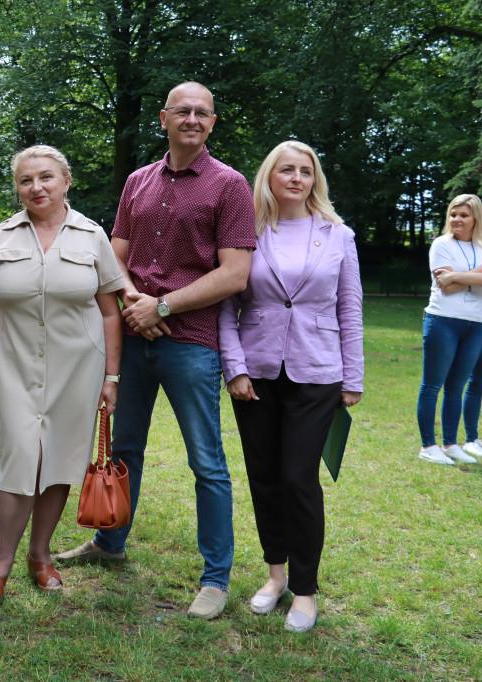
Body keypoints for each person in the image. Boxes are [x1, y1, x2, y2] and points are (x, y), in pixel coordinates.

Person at [54, 81, 256, 621]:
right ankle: (109, 544)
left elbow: (235, 274)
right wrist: (133, 302)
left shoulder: (230, 186)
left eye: (202, 113)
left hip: (190, 343)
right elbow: (113, 255)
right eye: (182, 111)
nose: (191, 119)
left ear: (212, 122)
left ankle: (215, 578)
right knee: (123, 452)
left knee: (207, 462)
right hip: (133, 334)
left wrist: (161, 308)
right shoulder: (138, 181)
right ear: (164, 118)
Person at [0, 145, 123, 606]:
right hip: (16, 369)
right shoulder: (2, 236)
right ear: (18, 188)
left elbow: (110, 312)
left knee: (60, 462)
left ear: (66, 181)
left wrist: (111, 377)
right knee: (20, 463)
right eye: (26, 180)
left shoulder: (92, 237)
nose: (37, 187)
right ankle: (1, 562)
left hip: (78, 370)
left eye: (46, 177)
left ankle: (40, 554)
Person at [218, 141, 364, 633]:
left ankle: (305, 591)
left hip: (317, 371)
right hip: (256, 372)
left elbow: (350, 308)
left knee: (299, 479)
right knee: (263, 476)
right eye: (287, 169)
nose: (297, 178)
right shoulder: (247, 232)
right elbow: (225, 304)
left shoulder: (338, 235)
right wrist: (234, 367)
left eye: (306, 170)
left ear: (315, 179)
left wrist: (354, 376)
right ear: (269, 177)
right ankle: (275, 575)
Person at [415, 194, 482, 465]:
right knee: (432, 385)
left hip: (476, 324)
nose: (456, 219)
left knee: (455, 387)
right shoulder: (441, 245)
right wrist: (476, 276)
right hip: (443, 321)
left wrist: (457, 275)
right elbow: (445, 285)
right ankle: (427, 445)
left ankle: (451, 444)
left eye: (463, 215)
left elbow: (454, 280)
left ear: (475, 218)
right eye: (453, 214)